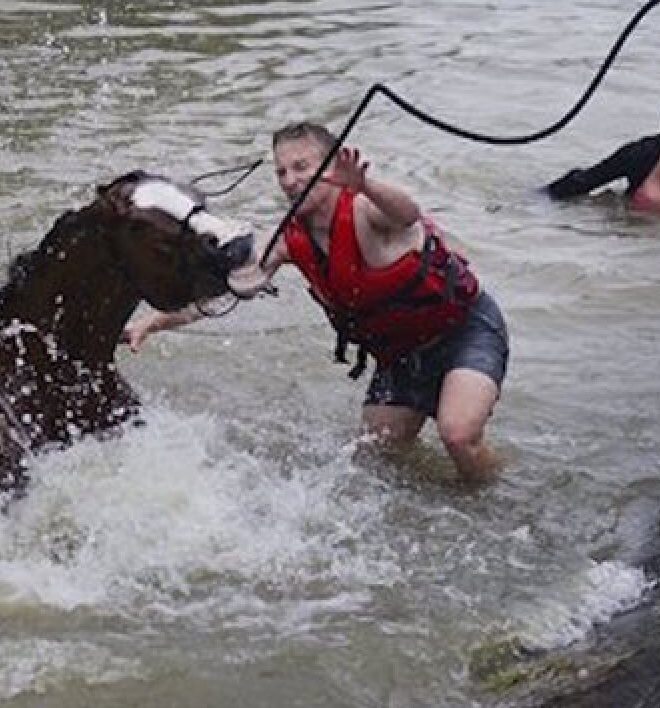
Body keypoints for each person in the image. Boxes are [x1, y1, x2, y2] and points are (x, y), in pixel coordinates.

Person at [122, 122, 510, 483]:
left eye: (301, 167)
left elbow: (407, 215)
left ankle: (496, 499)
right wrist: (151, 323)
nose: (290, 181)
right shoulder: (288, 241)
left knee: (458, 435)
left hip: (464, 331)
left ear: (332, 164)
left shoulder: (365, 207)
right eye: (281, 172)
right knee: (375, 459)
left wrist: (365, 184)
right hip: (400, 357)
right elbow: (229, 291)